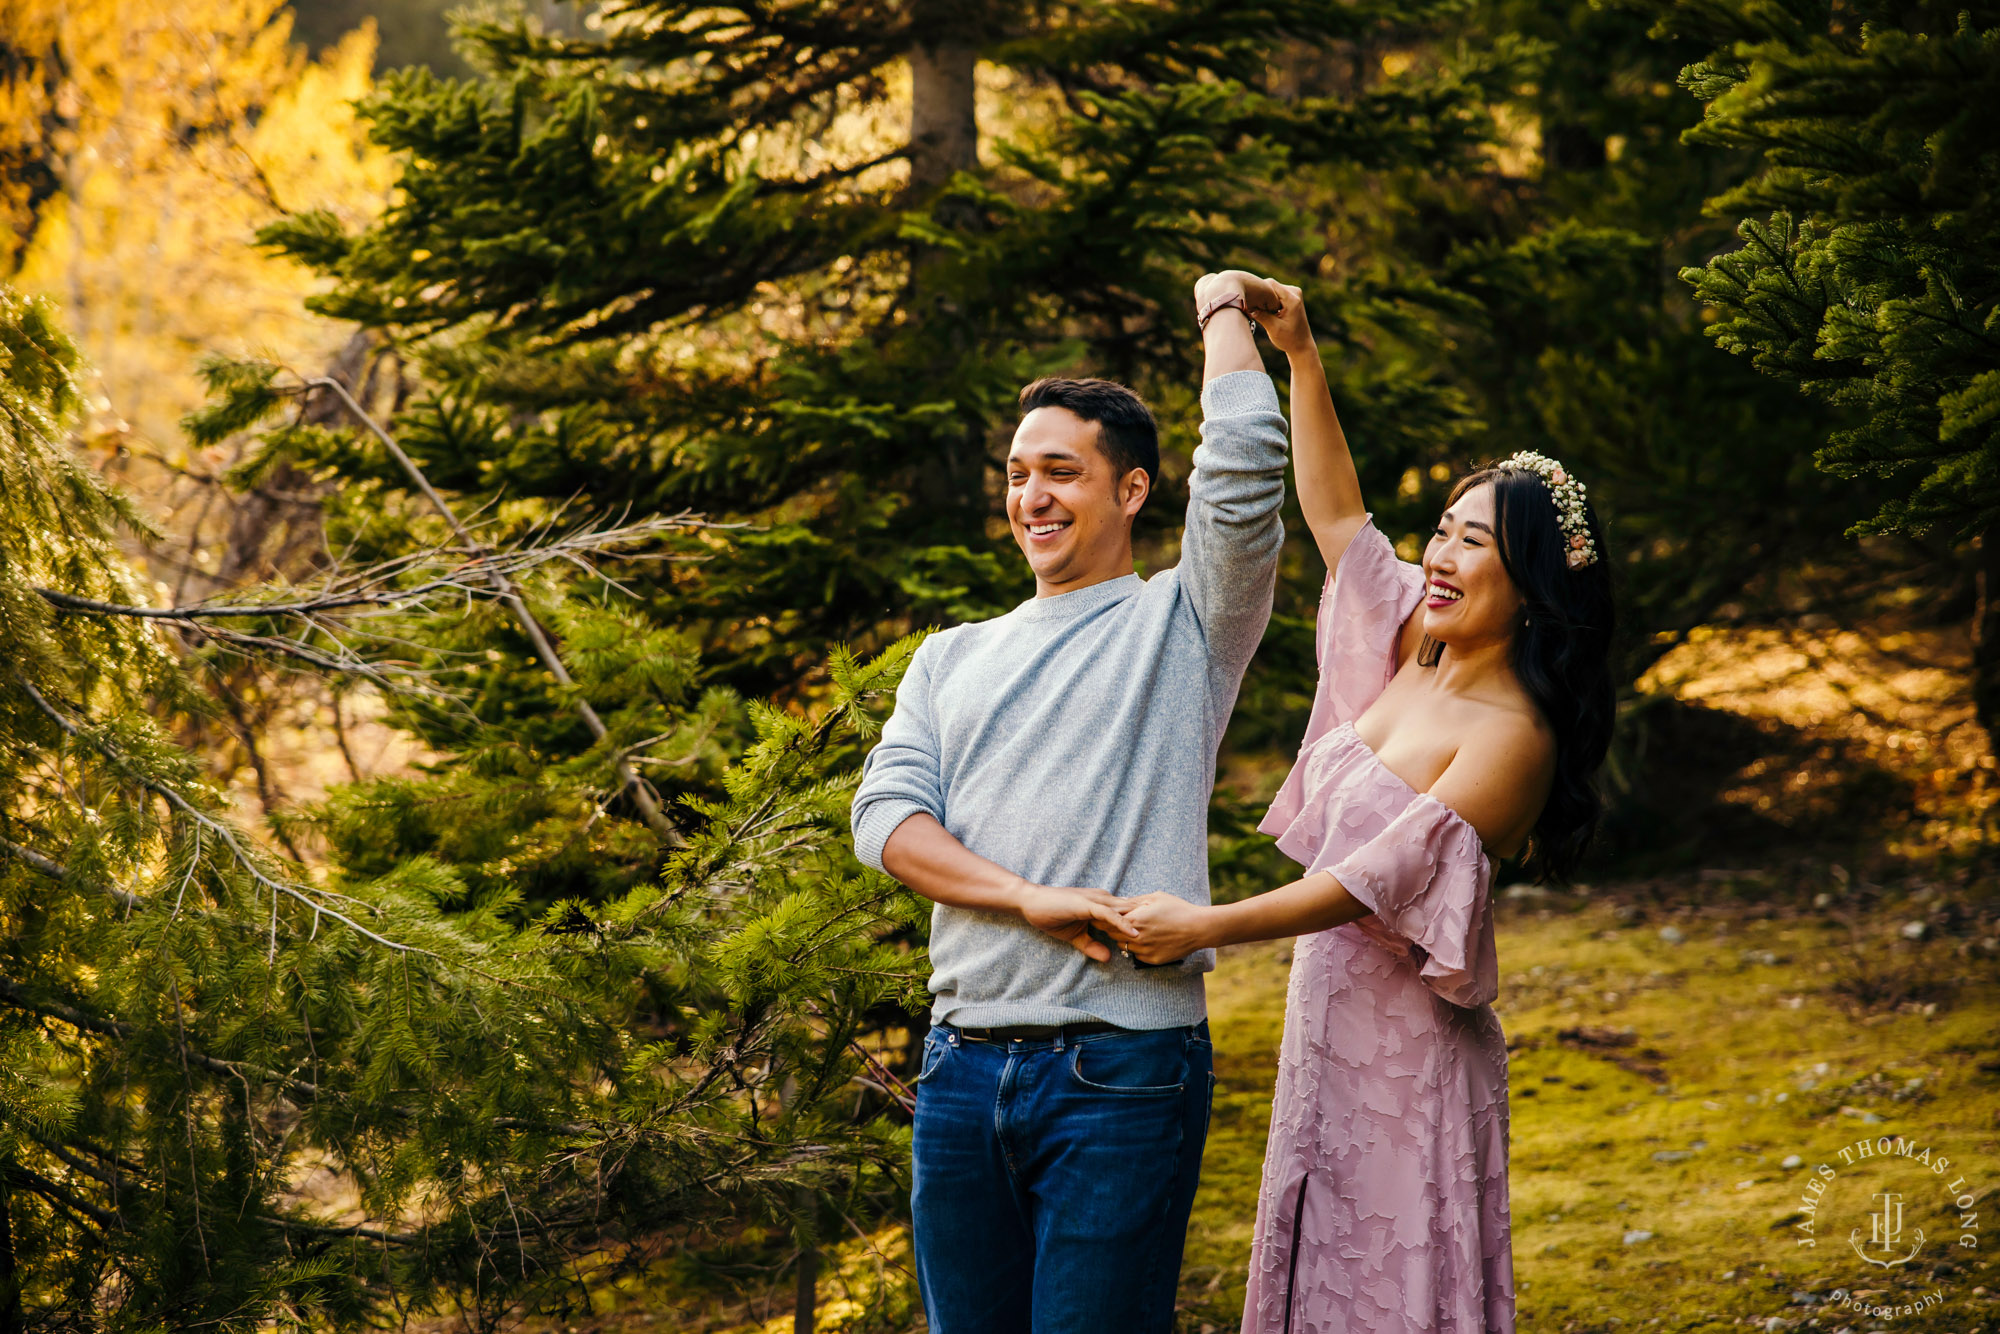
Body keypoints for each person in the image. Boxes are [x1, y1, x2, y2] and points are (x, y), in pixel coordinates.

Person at [1119, 282, 1617, 1333]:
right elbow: (1337, 513)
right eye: (1439, 530)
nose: (1436, 556)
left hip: (1409, 1057)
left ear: (1530, 580)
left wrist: (1202, 926)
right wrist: (1300, 354)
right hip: (1324, 1026)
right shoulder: (1408, 640)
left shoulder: (1511, 738)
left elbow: (1358, 886)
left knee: (1390, 1287)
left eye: (1470, 542)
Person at [849, 270, 1294, 1332]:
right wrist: (1024, 897)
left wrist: (1221, 311)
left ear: (1130, 491)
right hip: (957, 1068)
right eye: (1015, 474)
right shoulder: (948, 657)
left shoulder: (1182, 624)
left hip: (1121, 1067)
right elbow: (885, 823)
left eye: (1060, 471)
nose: (1030, 496)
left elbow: (1242, 477)